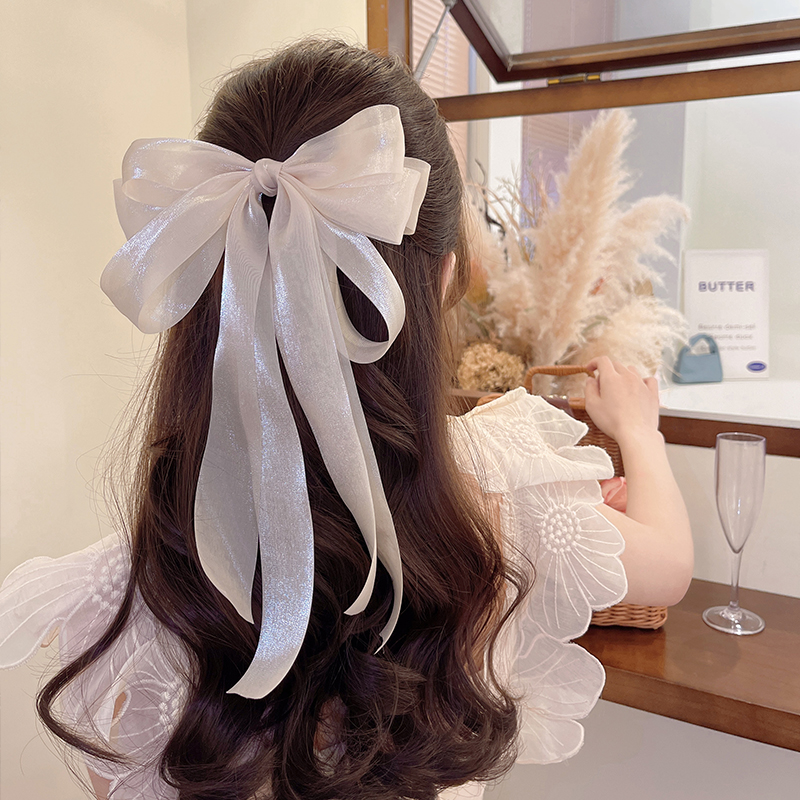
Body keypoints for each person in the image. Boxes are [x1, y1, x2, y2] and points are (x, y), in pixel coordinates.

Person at [0, 39, 693, 800]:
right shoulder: (498, 485)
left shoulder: (133, 588)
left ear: (204, 278)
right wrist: (640, 432)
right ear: (444, 276)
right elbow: (668, 565)